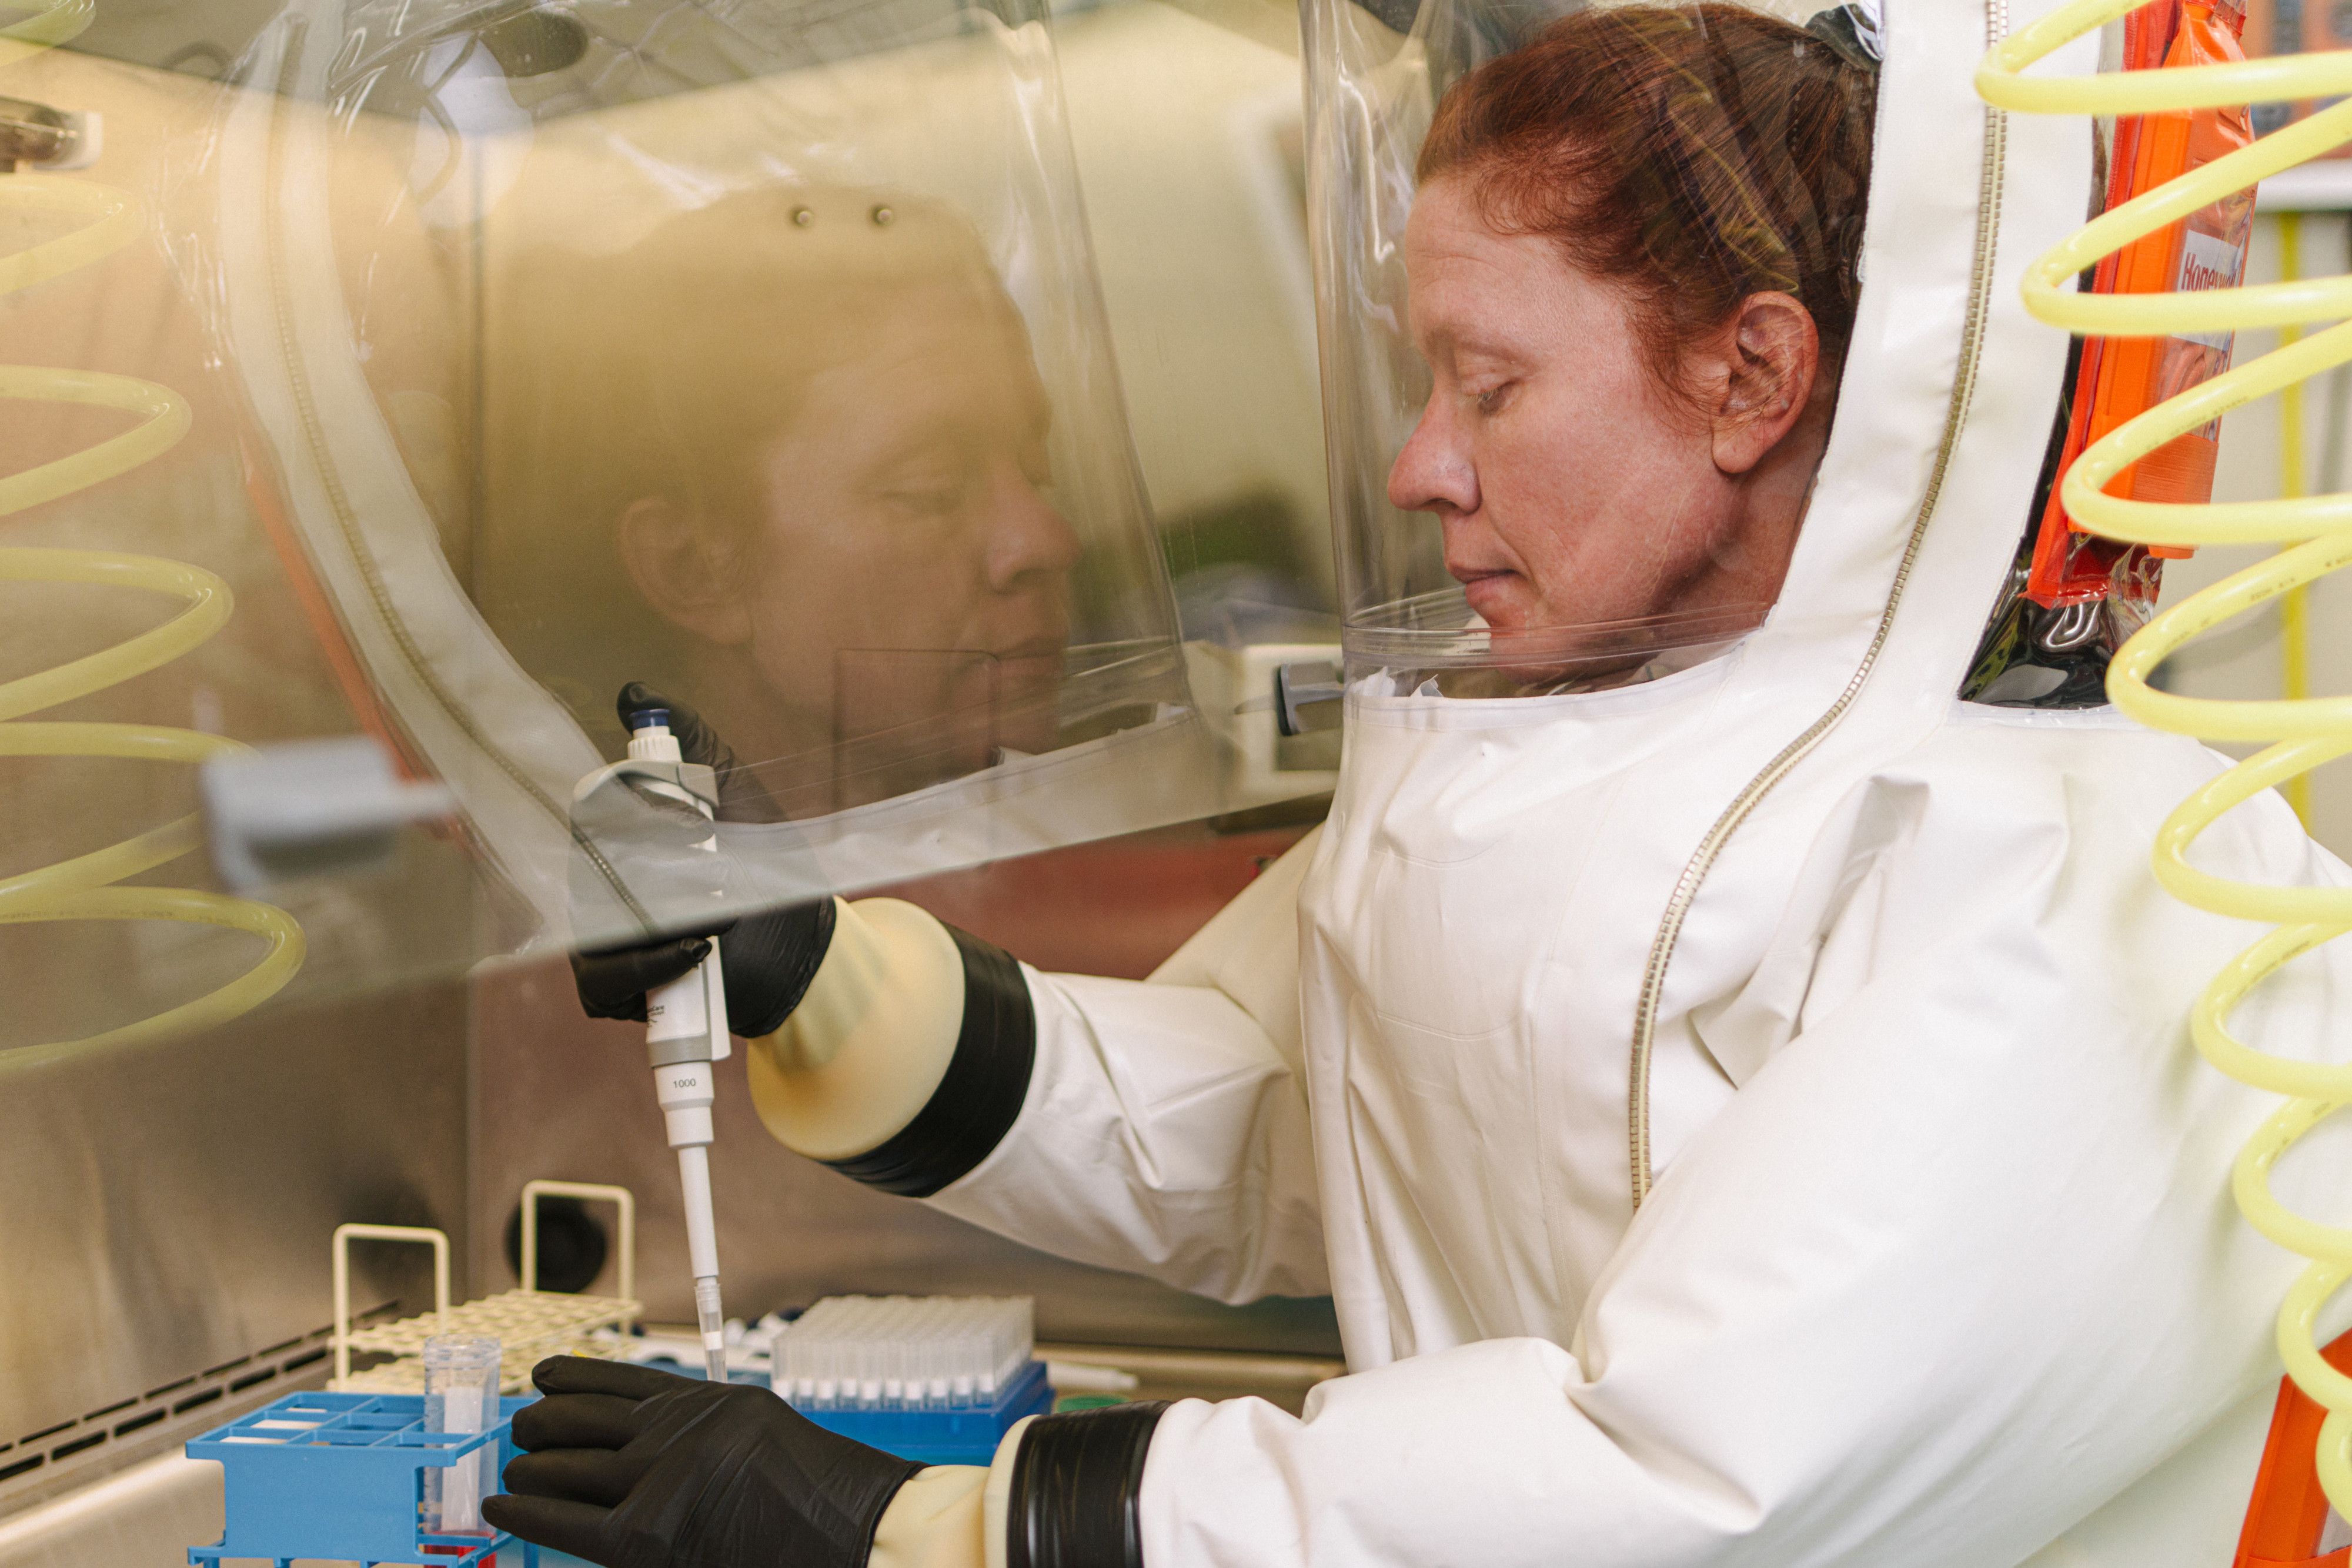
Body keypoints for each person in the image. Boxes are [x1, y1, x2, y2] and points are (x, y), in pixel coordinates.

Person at [488, 6, 2352, 1567]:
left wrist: (933, 1529)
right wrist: (818, 975)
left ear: (1750, 380)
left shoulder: (2052, 865)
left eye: (1487, 385)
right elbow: (1302, 1130)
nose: (1414, 467)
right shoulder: (1614, 743)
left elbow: (1683, 1484)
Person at [477, 185, 1083, 822]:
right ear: (695, 569)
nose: (1049, 538)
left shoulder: (1142, 817)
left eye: (1036, 468)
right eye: (929, 491)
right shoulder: (626, 914)